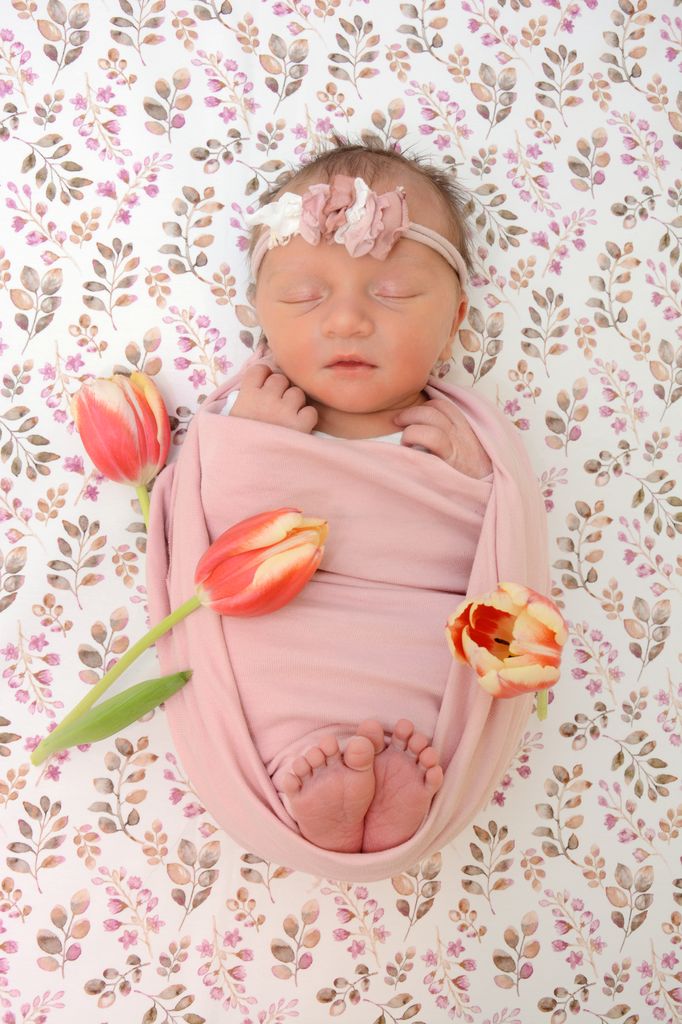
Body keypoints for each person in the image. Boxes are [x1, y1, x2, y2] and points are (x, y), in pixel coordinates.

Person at [217, 137, 495, 855]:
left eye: (393, 293)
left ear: (455, 319)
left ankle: (391, 778)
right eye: (303, 296)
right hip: (292, 643)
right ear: (261, 315)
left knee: (428, 675)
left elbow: (496, 551)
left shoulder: (460, 440)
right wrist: (250, 451)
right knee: (274, 670)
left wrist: (470, 476)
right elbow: (212, 549)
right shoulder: (245, 424)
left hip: (411, 647)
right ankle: (309, 768)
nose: (346, 321)